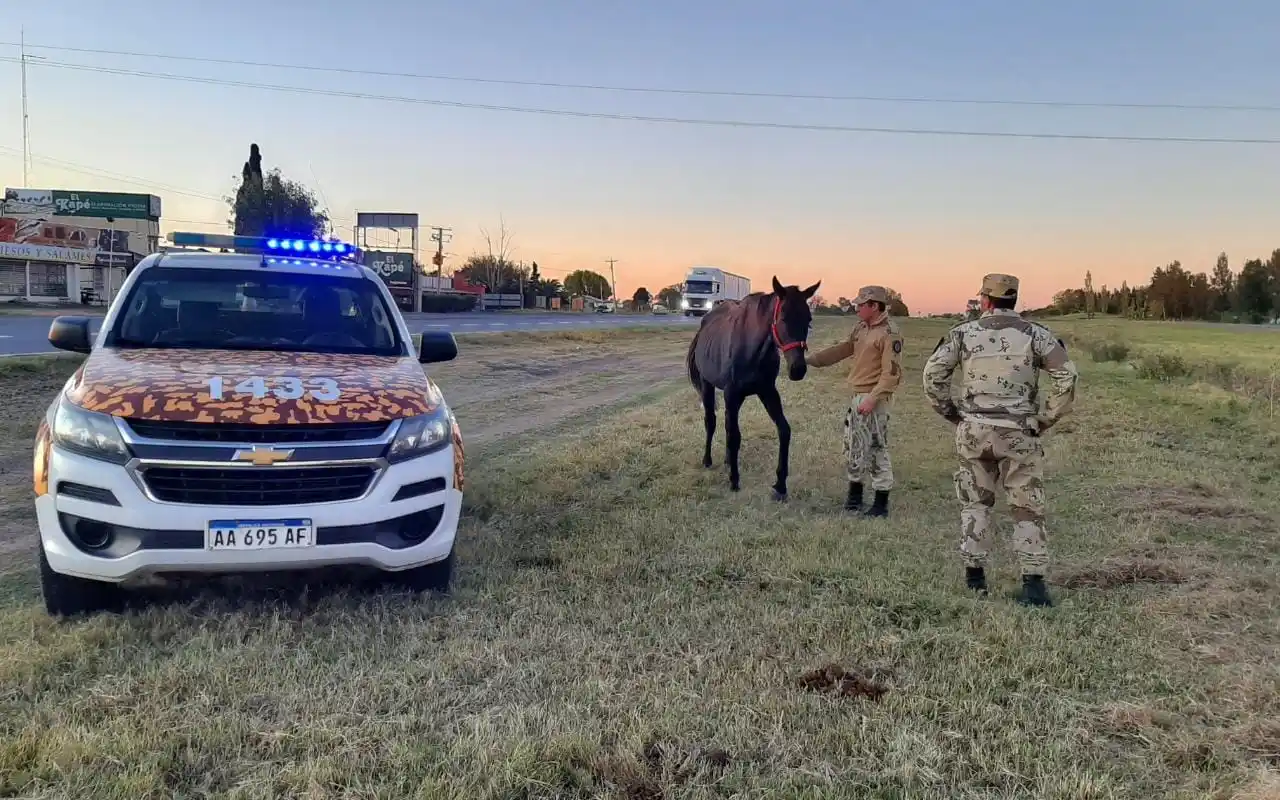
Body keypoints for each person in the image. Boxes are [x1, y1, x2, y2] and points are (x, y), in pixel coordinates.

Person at [921, 273, 1078, 606]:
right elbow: (1067, 376)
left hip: (974, 430)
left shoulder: (962, 334)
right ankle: (1034, 586)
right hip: (1019, 432)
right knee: (1026, 508)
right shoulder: (1037, 335)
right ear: (1014, 300)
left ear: (985, 300)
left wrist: (952, 414)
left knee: (975, 503)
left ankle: (974, 580)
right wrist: (1045, 419)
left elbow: (932, 375)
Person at [805, 285, 904, 518]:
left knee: (876, 447)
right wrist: (812, 360)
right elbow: (844, 349)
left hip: (874, 398)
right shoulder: (860, 327)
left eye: (861, 304)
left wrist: (873, 398)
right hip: (857, 395)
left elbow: (892, 373)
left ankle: (881, 503)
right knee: (854, 447)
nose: (857, 307)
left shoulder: (890, 332)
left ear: (874, 306)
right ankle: (855, 496)